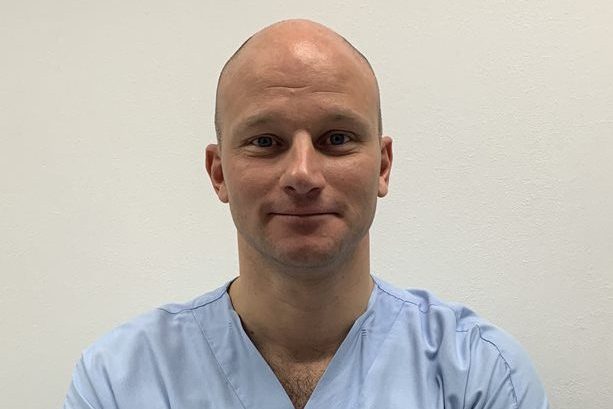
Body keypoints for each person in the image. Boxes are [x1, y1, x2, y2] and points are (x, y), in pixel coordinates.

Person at [63, 19, 549, 409]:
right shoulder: (121, 380)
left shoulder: (480, 374)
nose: (302, 173)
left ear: (382, 166)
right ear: (219, 173)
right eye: (265, 141)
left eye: (336, 139)